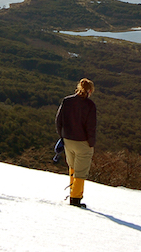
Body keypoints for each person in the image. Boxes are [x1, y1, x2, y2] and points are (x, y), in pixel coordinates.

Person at [55, 78, 96, 208]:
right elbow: (91, 127)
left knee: (72, 167)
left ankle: (73, 192)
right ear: (90, 90)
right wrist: (91, 143)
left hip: (68, 140)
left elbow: (58, 121)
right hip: (82, 142)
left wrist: (62, 136)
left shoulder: (67, 101)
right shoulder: (90, 105)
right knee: (81, 171)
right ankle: (75, 199)